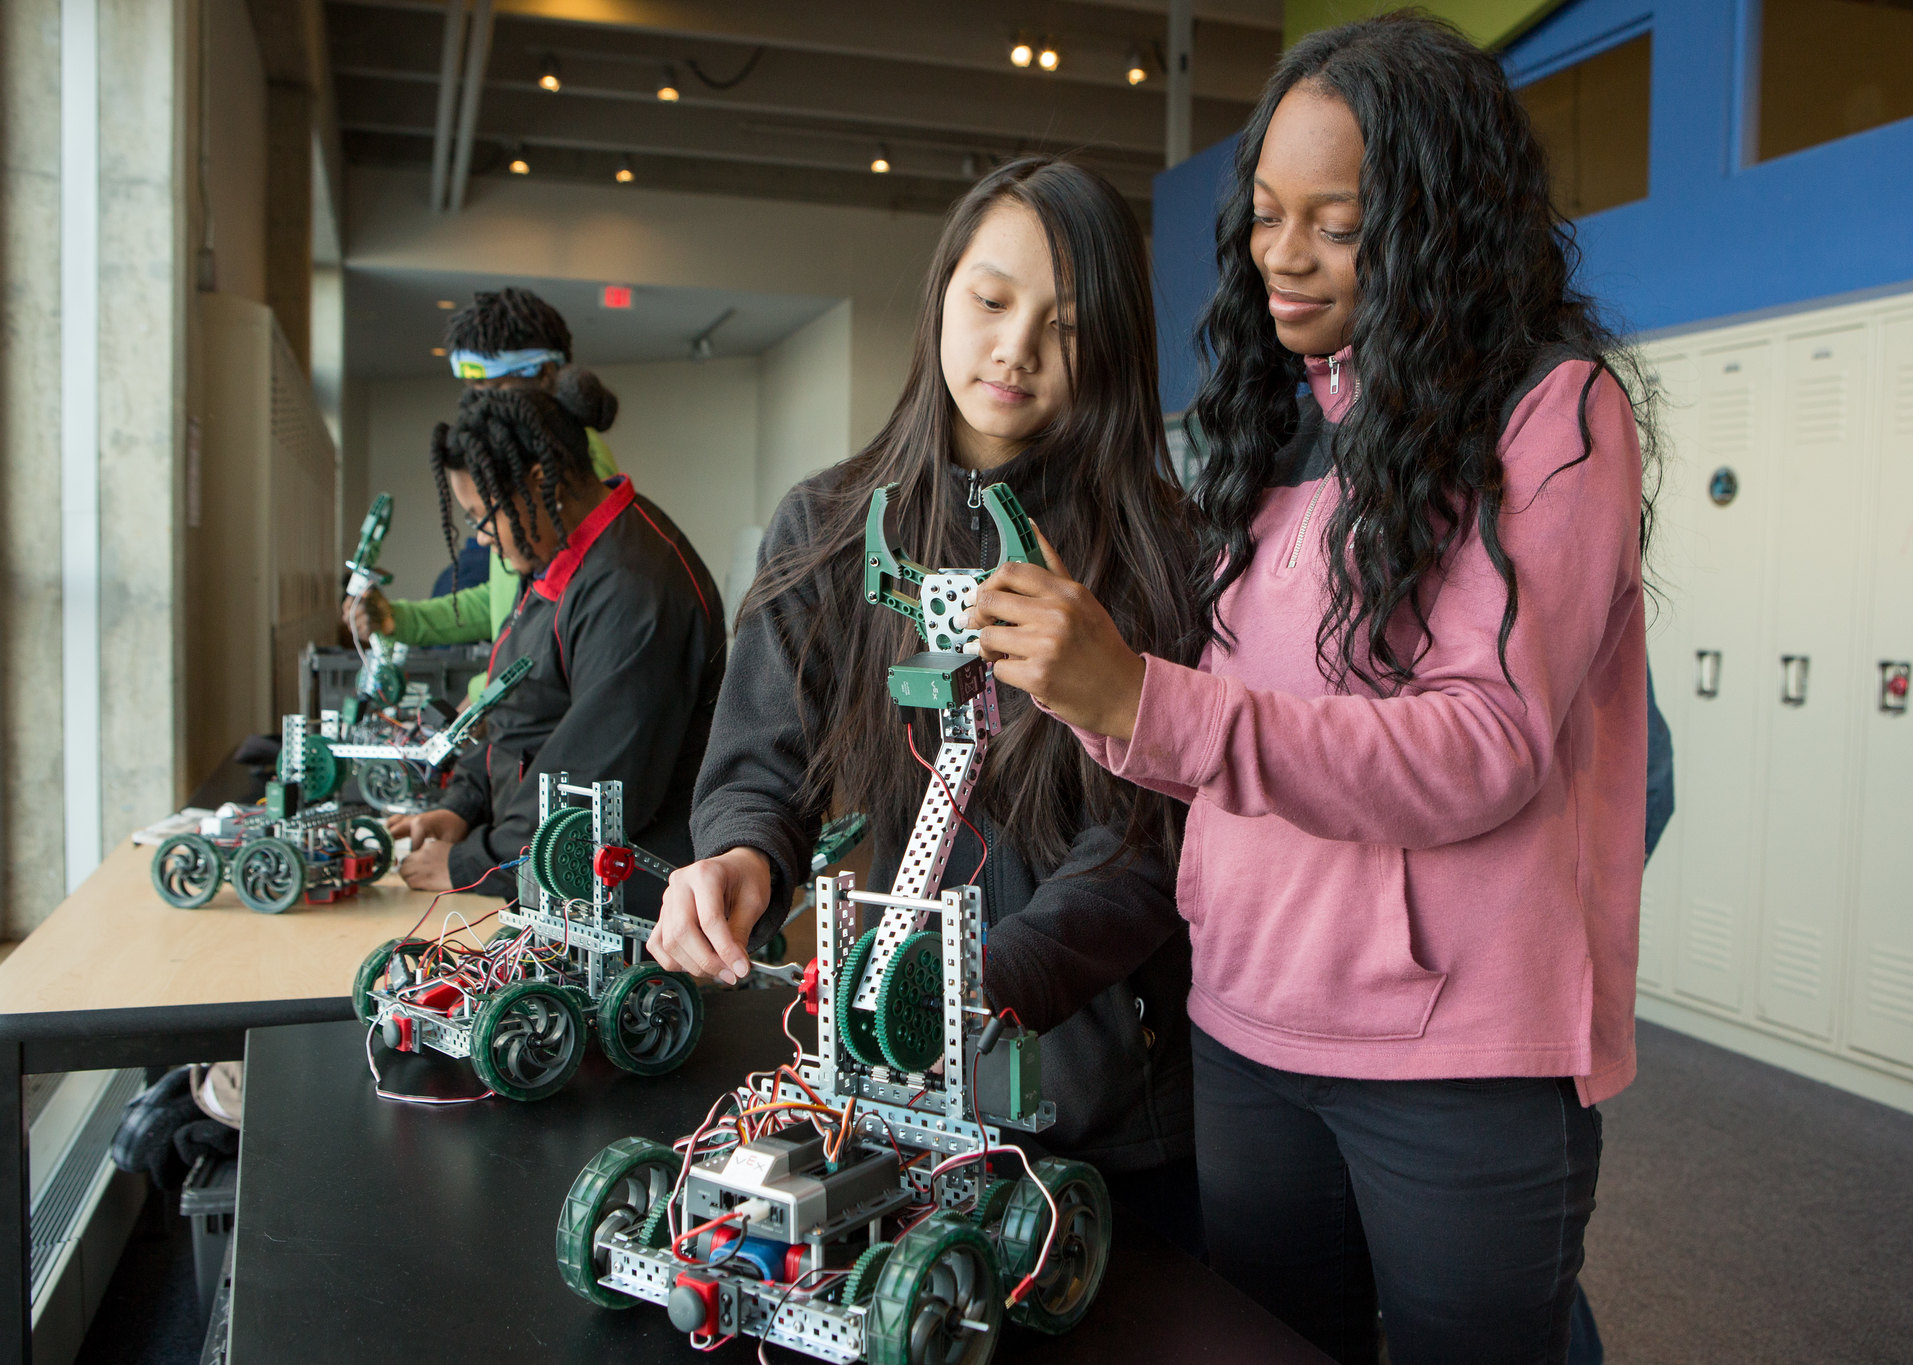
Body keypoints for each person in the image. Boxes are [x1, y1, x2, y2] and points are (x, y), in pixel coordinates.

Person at [964, 18, 1658, 1364]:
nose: (1282, 257)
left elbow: (1483, 746)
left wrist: (1145, 701)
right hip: (1248, 1023)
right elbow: (1230, 748)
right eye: (1269, 215)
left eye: (1335, 226)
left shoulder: (1551, 415)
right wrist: (1088, 690)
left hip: (1457, 1057)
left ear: (1436, 224)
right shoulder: (1276, 425)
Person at [643, 157, 1206, 1252]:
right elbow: (763, 762)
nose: (1015, 348)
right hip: (898, 1100)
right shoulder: (826, 521)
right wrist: (740, 857)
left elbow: (1148, 843)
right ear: (942, 294)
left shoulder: (1160, 554)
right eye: (990, 301)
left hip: (1098, 1115)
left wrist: (987, 982)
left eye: (1066, 325)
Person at [383, 386, 724, 908]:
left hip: (619, 902)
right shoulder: (557, 554)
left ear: (537, 484)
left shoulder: (632, 590)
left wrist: (471, 864)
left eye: (481, 515)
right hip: (539, 868)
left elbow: (593, 789)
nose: (479, 537)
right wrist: (462, 806)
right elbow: (520, 710)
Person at [344, 287, 622, 696]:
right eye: (469, 386)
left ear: (543, 376)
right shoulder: (529, 464)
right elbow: (506, 600)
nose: (477, 404)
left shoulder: (570, 468)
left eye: (488, 384)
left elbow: (549, 629)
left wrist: (482, 699)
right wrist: (398, 620)